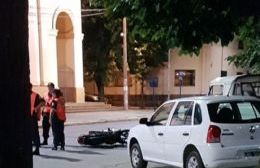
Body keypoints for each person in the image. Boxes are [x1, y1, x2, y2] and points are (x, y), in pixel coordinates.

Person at [30, 84, 44, 155]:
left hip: (32, 117)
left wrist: (36, 108)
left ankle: (37, 149)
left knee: (34, 133)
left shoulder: (35, 95)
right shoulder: (23, 94)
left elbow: (43, 102)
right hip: (26, 117)